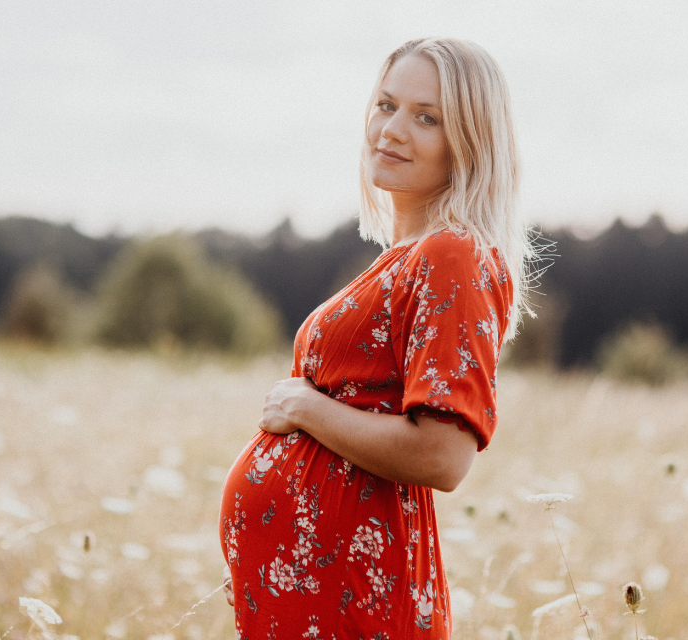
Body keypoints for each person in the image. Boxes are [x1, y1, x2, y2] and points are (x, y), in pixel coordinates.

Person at [218, 36, 540, 640]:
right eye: (386, 105)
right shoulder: (409, 257)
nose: (392, 129)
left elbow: (443, 457)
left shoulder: (455, 255)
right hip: (317, 602)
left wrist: (307, 407)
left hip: (356, 606)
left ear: (469, 143)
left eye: (427, 118)